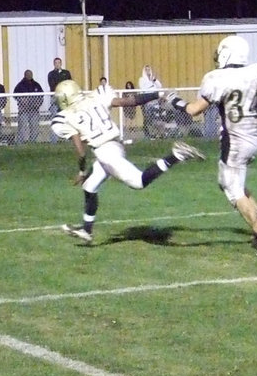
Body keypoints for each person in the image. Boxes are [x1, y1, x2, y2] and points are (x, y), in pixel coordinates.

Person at [166, 35, 257, 257]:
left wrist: (173, 100)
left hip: (235, 140)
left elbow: (193, 110)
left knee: (232, 188)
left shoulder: (217, 78)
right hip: (254, 138)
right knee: (227, 183)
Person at [55, 80, 206, 244]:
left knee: (139, 182)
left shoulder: (66, 116)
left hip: (105, 152)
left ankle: (176, 155)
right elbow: (128, 101)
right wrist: (156, 94)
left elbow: (81, 152)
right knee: (89, 186)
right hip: (114, 145)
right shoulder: (95, 98)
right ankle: (86, 230)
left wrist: (82, 171)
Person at [12, 70, 43, 144]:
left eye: (30, 74)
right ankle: (20, 143)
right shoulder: (20, 85)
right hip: (23, 111)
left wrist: (38, 104)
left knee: (34, 127)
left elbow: (41, 96)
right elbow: (15, 95)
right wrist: (22, 100)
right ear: (24, 75)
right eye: (27, 74)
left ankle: (32, 142)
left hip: (34, 110)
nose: (29, 75)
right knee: (22, 127)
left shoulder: (36, 85)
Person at [47, 57, 72, 141]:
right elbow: (52, 85)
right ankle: (54, 140)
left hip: (65, 99)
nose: (57, 64)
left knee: (66, 118)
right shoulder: (51, 74)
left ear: (61, 63)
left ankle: (67, 139)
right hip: (56, 98)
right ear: (54, 64)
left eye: (59, 62)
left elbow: (69, 83)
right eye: (56, 63)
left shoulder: (66, 73)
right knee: (55, 118)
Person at [138, 65, 163, 139]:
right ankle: (149, 134)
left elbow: (160, 86)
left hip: (155, 101)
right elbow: (143, 88)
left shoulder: (153, 79)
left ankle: (158, 134)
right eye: (146, 70)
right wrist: (151, 84)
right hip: (147, 101)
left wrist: (154, 80)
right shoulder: (142, 79)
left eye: (149, 70)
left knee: (156, 117)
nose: (148, 71)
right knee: (148, 118)